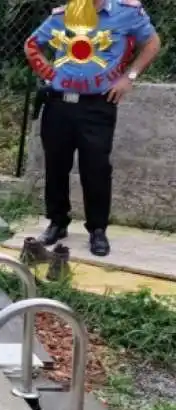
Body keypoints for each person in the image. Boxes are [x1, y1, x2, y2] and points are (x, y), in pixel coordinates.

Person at [24, 0, 160, 256]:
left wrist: (128, 78)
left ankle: (98, 230)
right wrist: (48, 72)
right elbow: (32, 45)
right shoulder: (63, 15)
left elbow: (152, 43)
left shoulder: (126, 13)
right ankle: (57, 223)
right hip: (59, 103)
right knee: (56, 165)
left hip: (98, 106)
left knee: (96, 168)